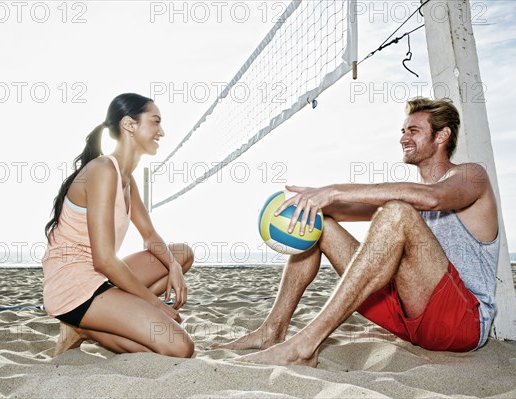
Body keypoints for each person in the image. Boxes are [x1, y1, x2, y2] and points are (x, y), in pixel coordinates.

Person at [214, 97, 500, 367]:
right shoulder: (412, 196)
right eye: (402, 131)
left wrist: (335, 189)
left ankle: (305, 346)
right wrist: (307, 202)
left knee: (396, 211)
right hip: (406, 314)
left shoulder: (470, 176)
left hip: (461, 322)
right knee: (319, 222)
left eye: (413, 130)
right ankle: (271, 331)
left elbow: (433, 198)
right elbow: (344, 209)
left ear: (441, 136)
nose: (403, 138)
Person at [43, 93, 194, 358]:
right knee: (180, 347)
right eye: (155, 122)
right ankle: (83, 327)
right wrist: (155, 306)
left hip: (98, 276)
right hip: (73, 286)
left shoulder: (127, 179)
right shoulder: (102, 170)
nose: (162, 132)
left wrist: (173, 267)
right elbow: (104, 260)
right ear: (129, 125)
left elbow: (149, 234)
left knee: (182, 255)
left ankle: (91, 323)